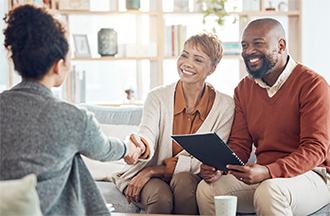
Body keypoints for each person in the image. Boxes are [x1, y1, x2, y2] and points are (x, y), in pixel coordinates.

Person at [0, 4, 145, 216]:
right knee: (74, 158)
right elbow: (104, 150)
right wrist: (128, 148)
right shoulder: (72, 117)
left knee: (72, 156)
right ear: (58, 66)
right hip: (48, 211)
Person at [196, 18, 330, 216]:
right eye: (245, 45)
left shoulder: (312, 84)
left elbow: (315, 149)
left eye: (258, 43)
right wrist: (220, 168)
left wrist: (269, 171)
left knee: (270, 191)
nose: (249, 51)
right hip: (266, 176)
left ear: (281, 46)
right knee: (208, 190)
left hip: (313, 175)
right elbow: (240, 145)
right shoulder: (243, 89)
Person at [110, 32, 235, 214]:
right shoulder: (157, 97)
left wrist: (153, 171)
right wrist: (138, 148)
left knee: (184, 183)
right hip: (151, 177)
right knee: (161, 197)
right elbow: (147, 134)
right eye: (184, 55)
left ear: (212, 69)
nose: (187, 63)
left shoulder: (225, 106)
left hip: (188, 177)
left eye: (198, 60)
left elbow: (208, 159)